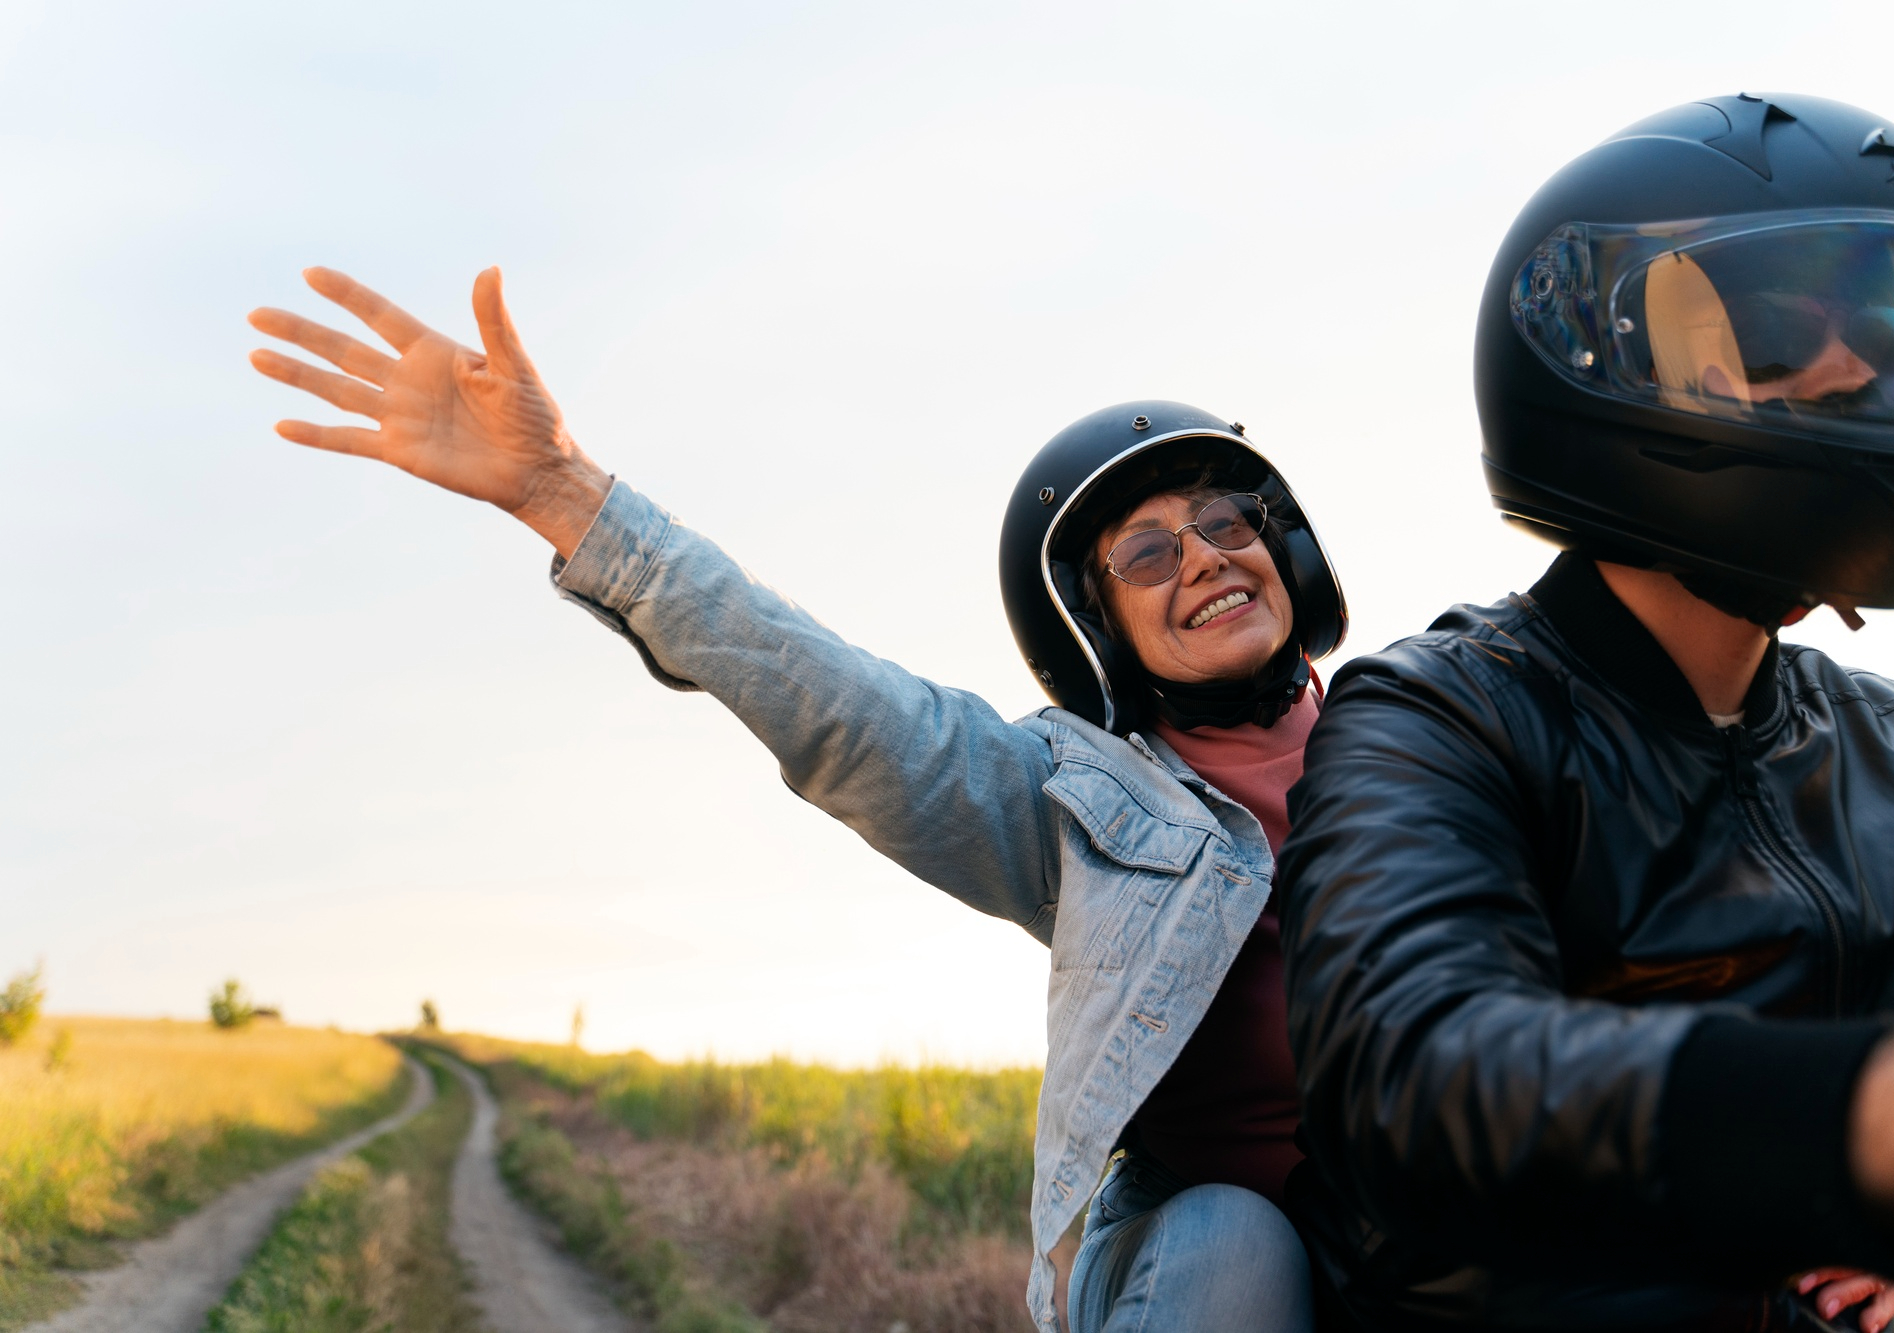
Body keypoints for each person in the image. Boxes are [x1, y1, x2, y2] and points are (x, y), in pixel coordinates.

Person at [246, 274, 1347, 1332]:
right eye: (1146, 552)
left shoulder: (1431, 735)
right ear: (1095, 625)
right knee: (1227, 1238)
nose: (1202, 557)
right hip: (1208, 1273)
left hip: (1426, 1234)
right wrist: (560, 490)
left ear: (1282, 544)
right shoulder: (1080, 802)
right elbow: (852, 713)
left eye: (1225, 521)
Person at [1276, 95, 1894, 1332]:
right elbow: (1418, 1069)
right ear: (1594, 348)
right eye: (1777, 325)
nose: (1864, 372)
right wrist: (1886, 1125)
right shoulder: (1438, 719)